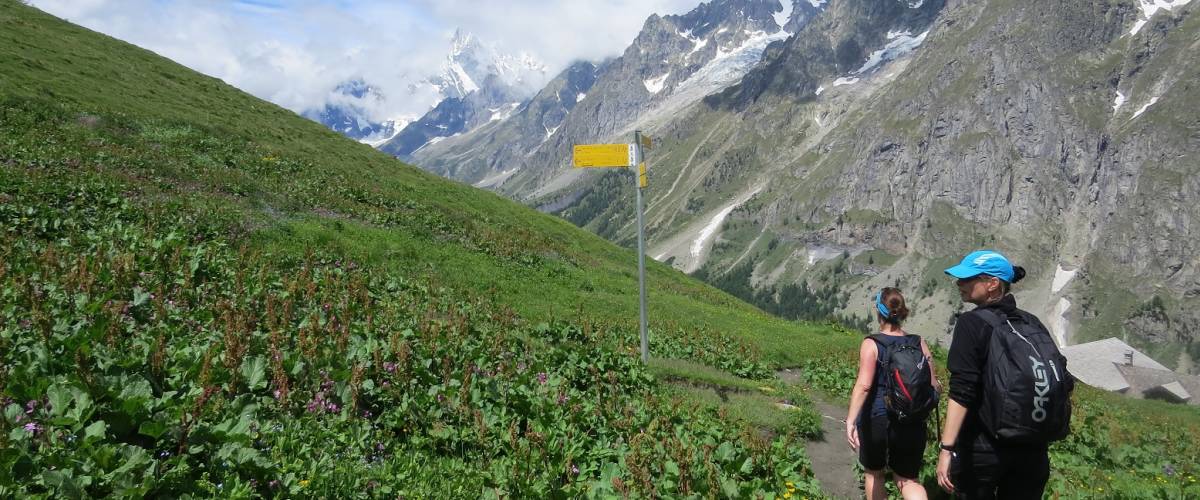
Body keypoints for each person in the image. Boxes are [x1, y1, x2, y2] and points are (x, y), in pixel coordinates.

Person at [936, 250, 1069, 498]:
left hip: (982, 449)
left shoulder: (971, 323)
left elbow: (963, 390)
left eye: (967, 279)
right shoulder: (1032, 323)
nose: (959, 284)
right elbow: (1063, 379)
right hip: (1033, 450)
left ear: (992, 283)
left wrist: (946, 448)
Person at [846, 287, 940, 500]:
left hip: (878, 418)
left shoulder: (872, 343)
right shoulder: (919, 342)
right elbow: (934, 385)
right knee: (908, 480)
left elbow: (864, 386)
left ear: (879, 312)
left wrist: (851, 420)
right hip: (913, 421)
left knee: (874, 474)